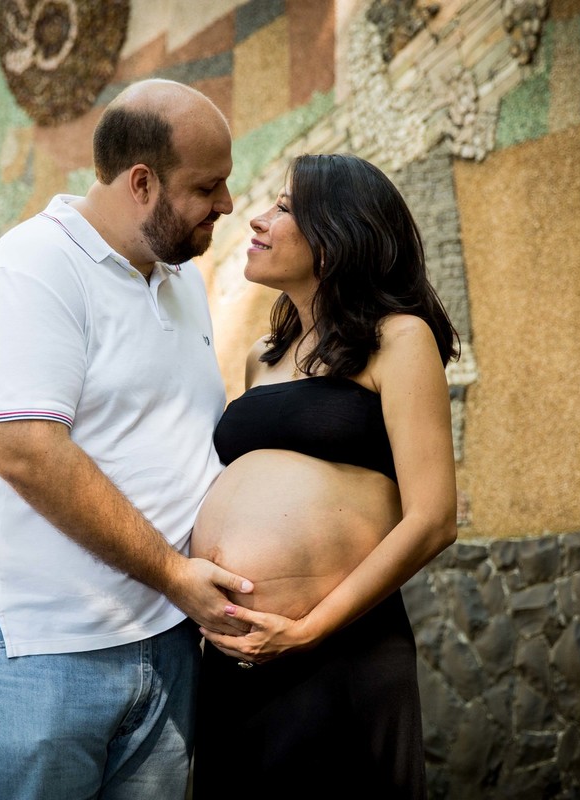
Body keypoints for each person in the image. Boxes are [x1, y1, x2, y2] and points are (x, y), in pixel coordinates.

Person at [0, 79, 254, 800]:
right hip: (36, 657)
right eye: (209, 186)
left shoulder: (178, 281)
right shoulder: (34, 269)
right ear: (142, 183)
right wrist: (176, 576)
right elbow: (27, 452)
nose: (229, 205)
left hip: (166, 649)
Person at [191, 153, 460, 798]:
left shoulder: (399, 340)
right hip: (241, 657)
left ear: (340, 231)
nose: (256, 219)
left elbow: (433, 518)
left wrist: (307, 629)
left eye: (284, 207)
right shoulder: (263, 358)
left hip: (339, 648)